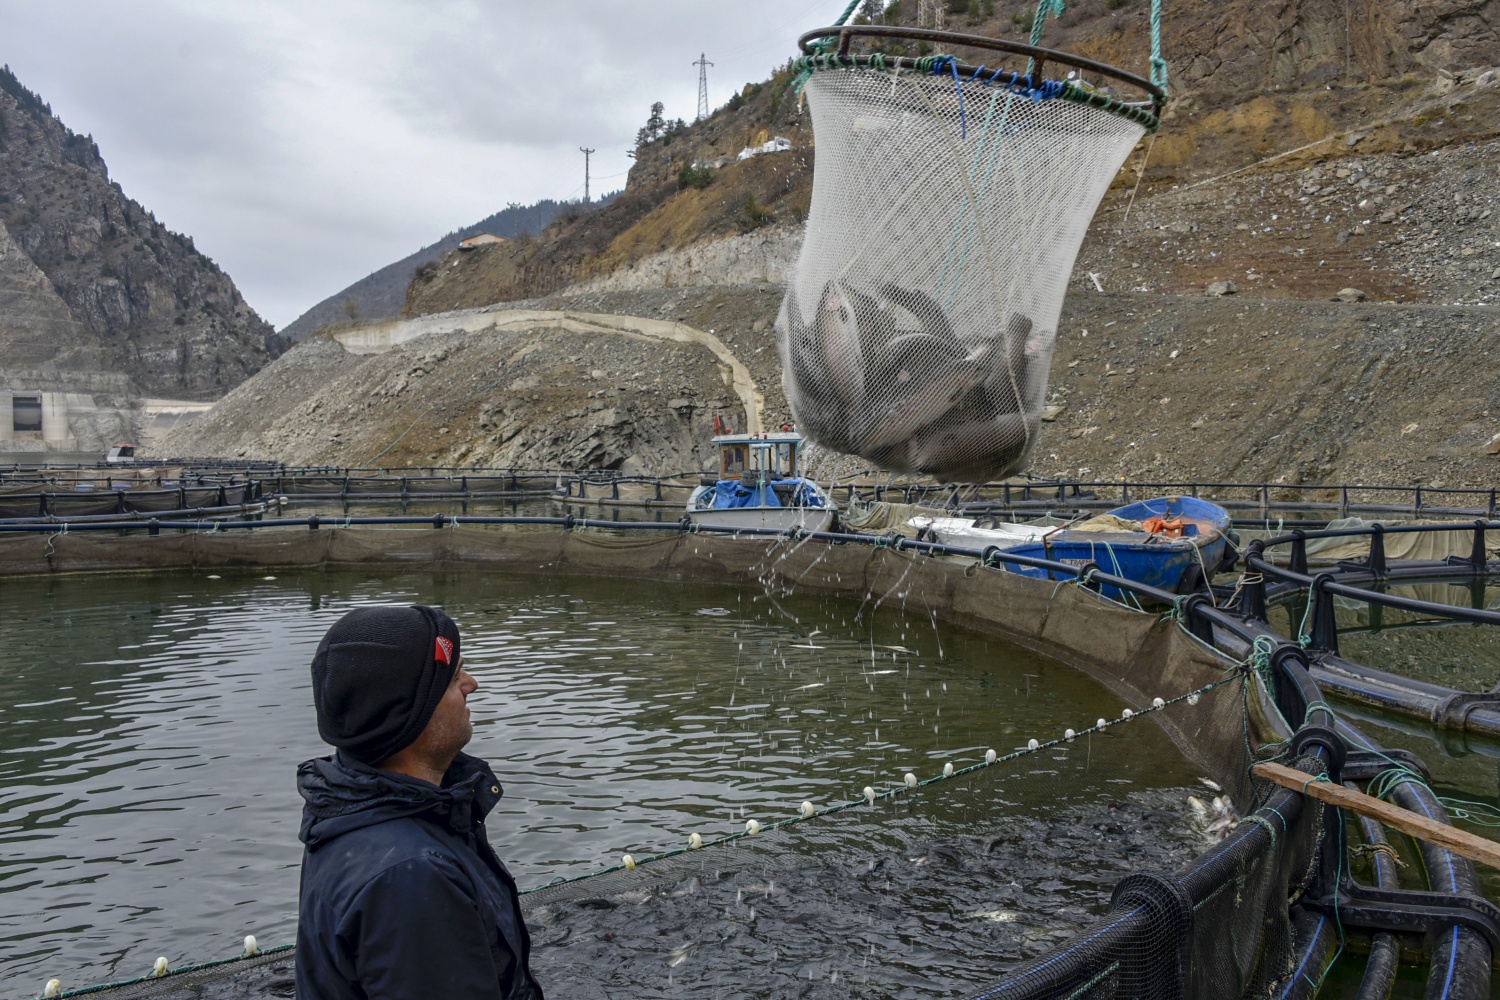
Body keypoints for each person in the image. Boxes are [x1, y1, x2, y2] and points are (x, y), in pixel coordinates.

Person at [295, 604, 543, 1000]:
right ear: (412, 713)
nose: (472, 684)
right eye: (453, 678)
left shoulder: (350, 806)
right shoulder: (412, 875)